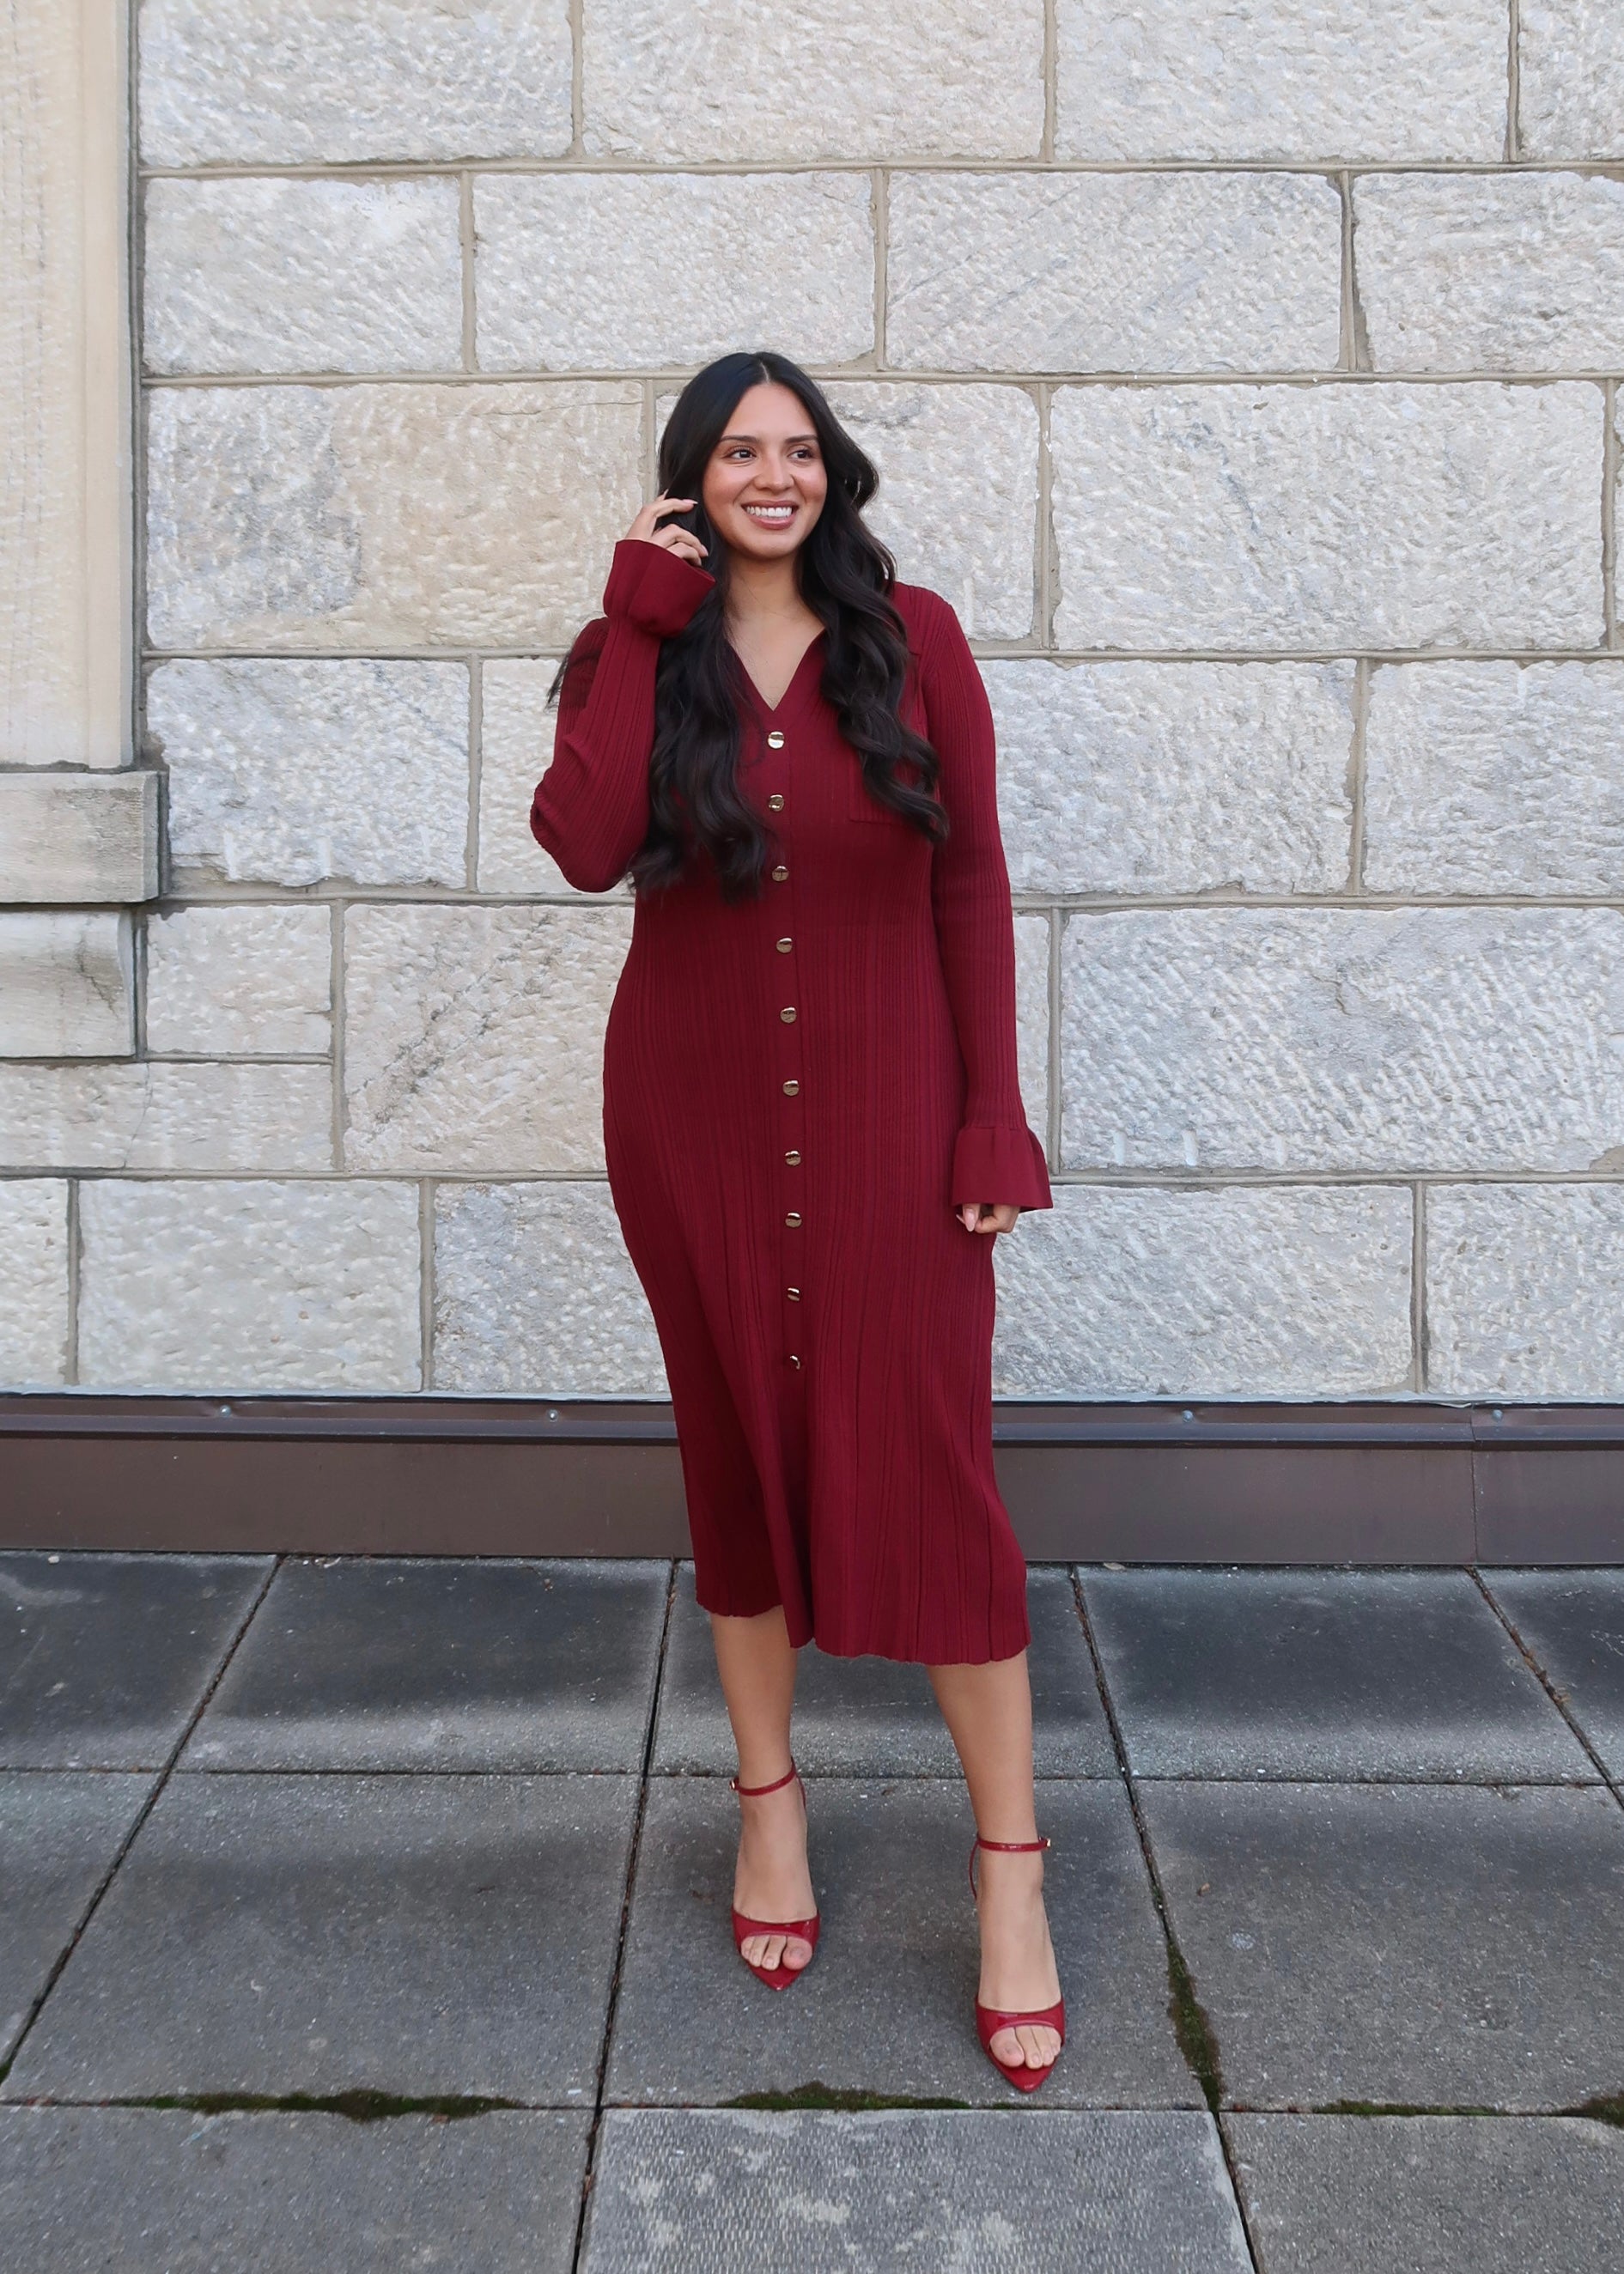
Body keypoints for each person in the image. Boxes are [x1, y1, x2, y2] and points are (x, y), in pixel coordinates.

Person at [531, 350, 1062, 2090]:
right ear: (690, 479)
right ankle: (770, 1812)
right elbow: (584, 842)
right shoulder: (641, 653)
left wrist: (991, 1111)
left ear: (832, 470)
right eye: (737, 451)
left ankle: (1011, 1877)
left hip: (894, 1119)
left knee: (935, 1476)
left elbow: (969, 877)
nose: (774, 472)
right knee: (738, 1461)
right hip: (683, 1126)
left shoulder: (914, 638)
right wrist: (634, 606)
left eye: (797, 447)